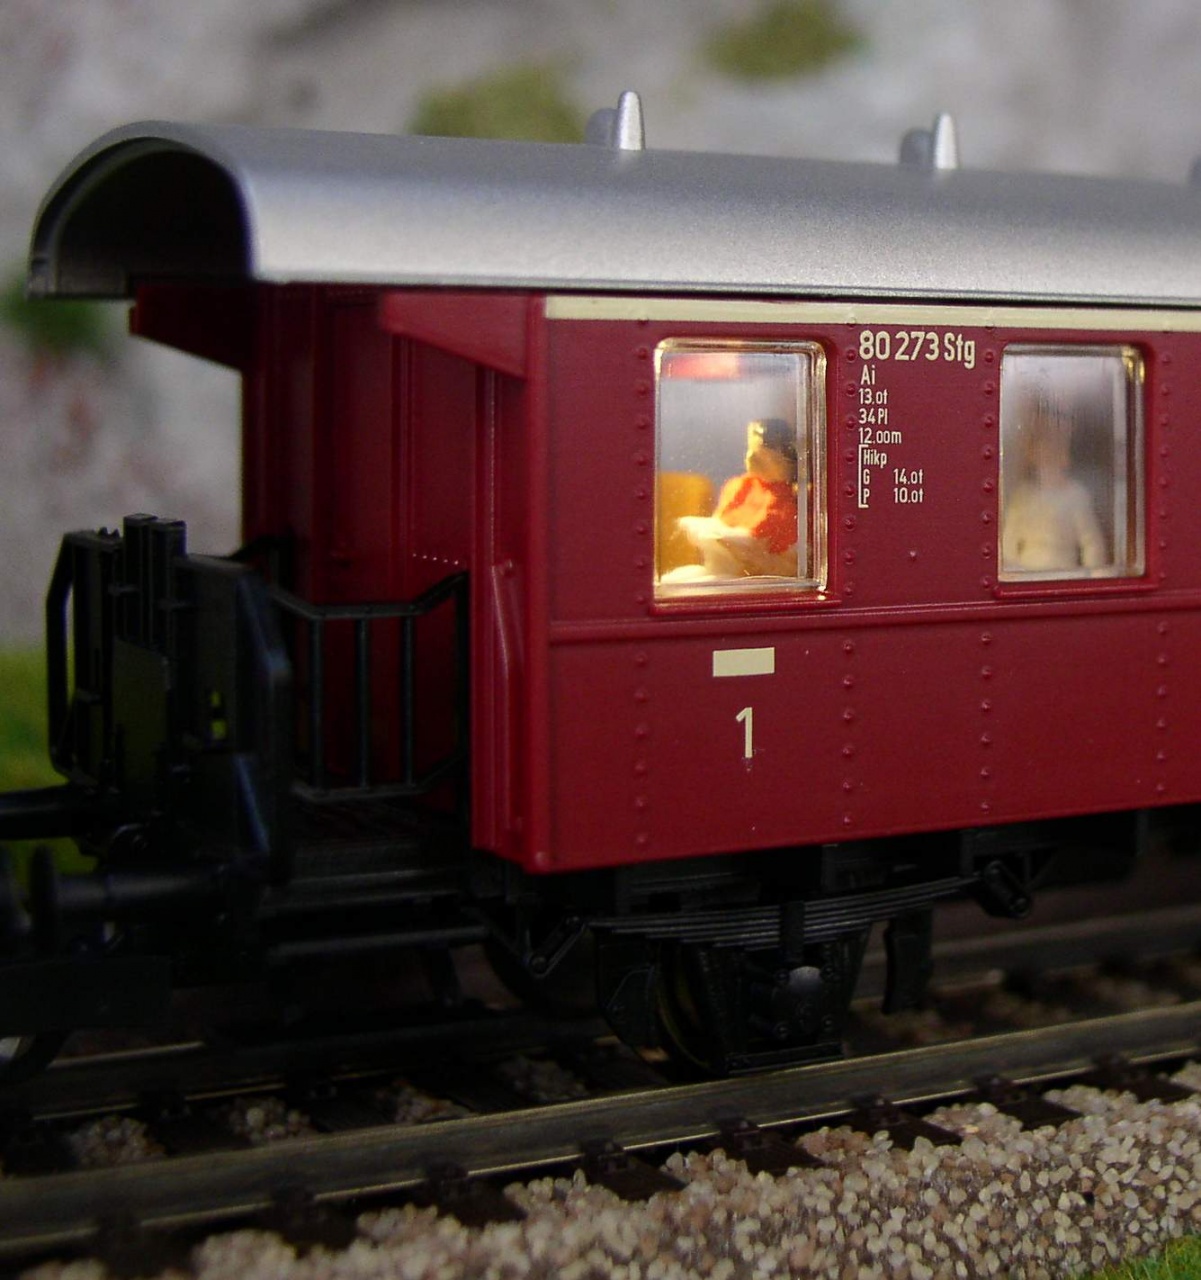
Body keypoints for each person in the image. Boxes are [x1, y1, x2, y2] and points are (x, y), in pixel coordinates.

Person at [674, 417, 800, 579]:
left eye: (763, 455)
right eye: (750, 450)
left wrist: (756, 556)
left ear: (788, 459)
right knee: (679, 579)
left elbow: (781, 560)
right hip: (724, 566)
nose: (750, 458)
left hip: (755, 576)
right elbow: (721, 520)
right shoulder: (740, 485)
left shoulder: (793, 498)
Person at [1001, 400, 1106, 573]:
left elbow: (1091, 542)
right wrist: (1012, 571)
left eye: (1055, 448)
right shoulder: (1023, 495)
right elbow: (1010, 539)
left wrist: (1095, 574)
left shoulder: (1076, 495)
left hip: (1064, 572)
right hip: (1027, 572)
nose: (1048, 454)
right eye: (1042, 448)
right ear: (1033, 456)